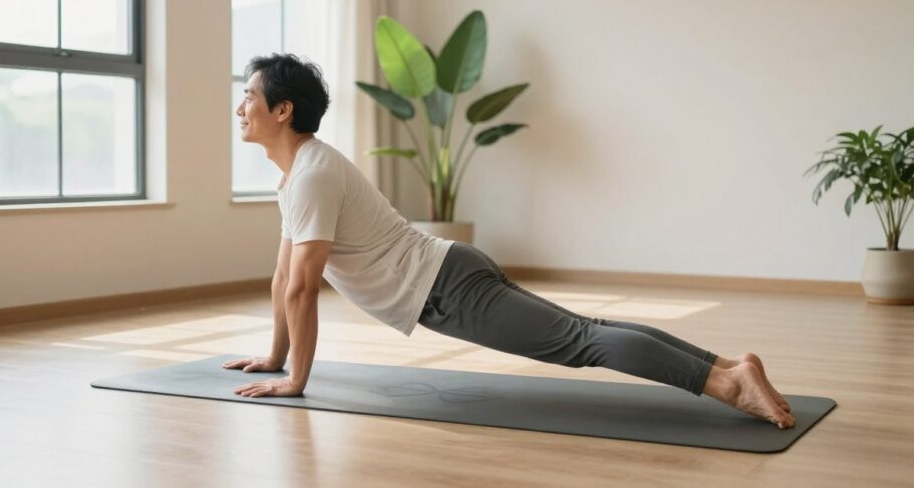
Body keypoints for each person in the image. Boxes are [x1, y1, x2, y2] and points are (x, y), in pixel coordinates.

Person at [224, 53, 795, 430]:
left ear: (283, 109)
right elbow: (284, 279)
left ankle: (726, 385)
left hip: (448, 290)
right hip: (450, 273)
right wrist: (275, 356)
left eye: (249, 96)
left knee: (581, 342)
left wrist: (296, 380)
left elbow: (301, 288)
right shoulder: (298, 176)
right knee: (586, 332)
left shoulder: (313, 175)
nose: (240, 106)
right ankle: (730, 365)